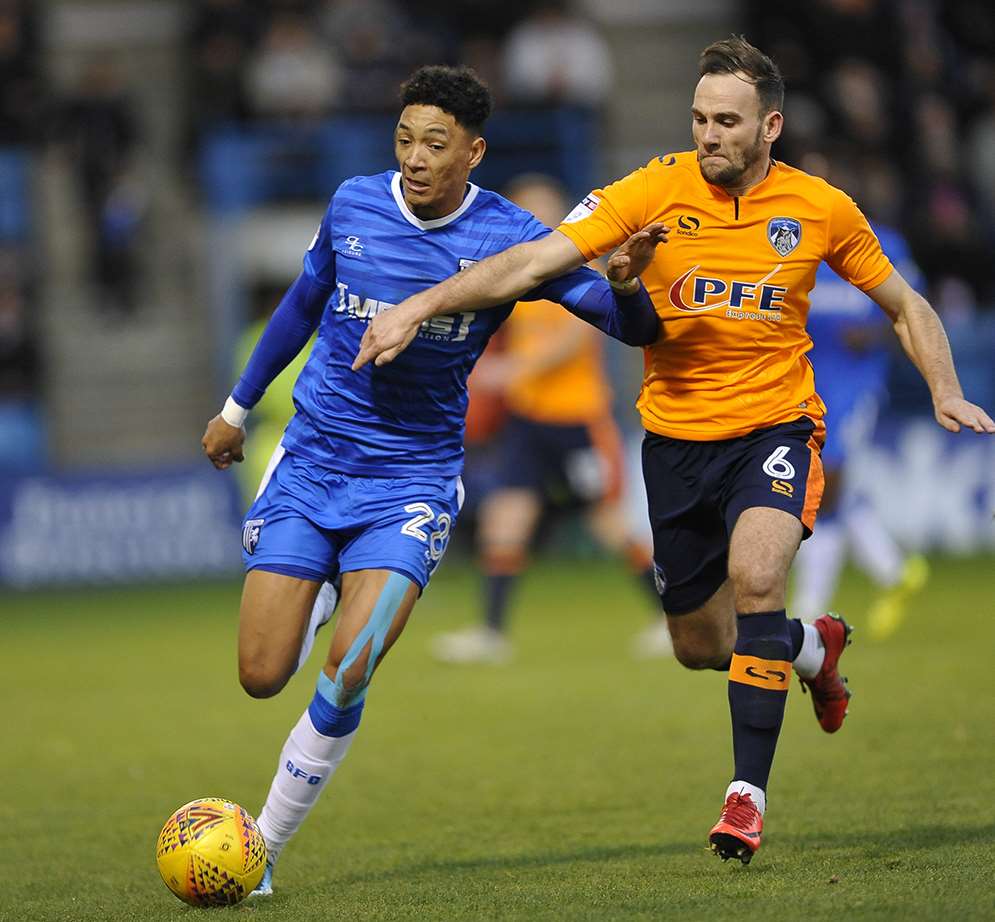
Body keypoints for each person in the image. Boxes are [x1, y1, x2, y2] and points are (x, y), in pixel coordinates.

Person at [351, 38, 995, 864]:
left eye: (726, 120)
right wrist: (416, 306)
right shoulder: (652, 189)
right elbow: (530, 260)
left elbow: (905, 305)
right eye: (698, 118)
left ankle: (744, 799)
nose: (708, 134)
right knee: (700, 644)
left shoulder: (820, 208)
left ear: (770, 126)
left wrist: (942, 388)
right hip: (675, 442)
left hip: (775, 428)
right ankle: (809, 647)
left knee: (759, 579)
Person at [201, 64, 663, 895]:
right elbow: (302, 306)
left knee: (349, 668)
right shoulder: (352, 204)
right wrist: (237, 409)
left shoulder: (512, 239)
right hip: (311, 464)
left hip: (410, 482)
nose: (414, 157)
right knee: (262, 675)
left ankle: (260, 848)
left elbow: (625, 325)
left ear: (473, 152)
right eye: (404, 139)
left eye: (435, 144)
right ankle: (325, 592)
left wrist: (627, 289)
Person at [431, 174, 670, 665]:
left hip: (575, 421)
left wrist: (514, 370)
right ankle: (491, 632)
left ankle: (671, 618)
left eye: (545, 208)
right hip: (527, 419)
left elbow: (575, 340)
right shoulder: (515, 271)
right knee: (506, 517)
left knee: (608, 522)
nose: (537, 218)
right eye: (528, 209)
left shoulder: (581, 264)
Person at [792, 219, 929, 638]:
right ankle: (895, 570)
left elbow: (912, 307)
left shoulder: (882, 243)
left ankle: (809, 607)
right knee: (828, 491)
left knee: (824, 487)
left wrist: (872, 334)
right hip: (811, 385)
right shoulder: (800, 245)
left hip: (859, 386)